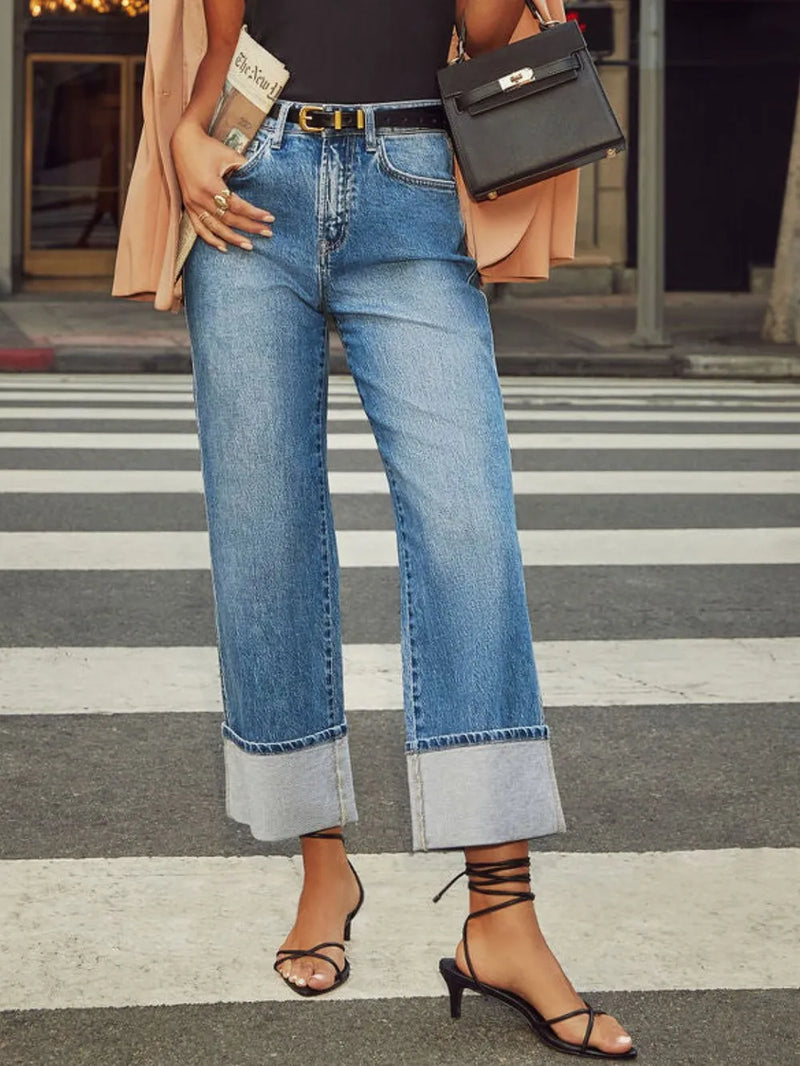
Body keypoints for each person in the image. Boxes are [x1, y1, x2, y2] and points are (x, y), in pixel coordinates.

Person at [167, 0, 636, 1057]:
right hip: (254, 177)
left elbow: (486, 33)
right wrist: (188, 139)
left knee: (470, 537)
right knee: (265, 540)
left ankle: (500, 920)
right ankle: (321, 867)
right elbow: (222, 47)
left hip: (414, 182)